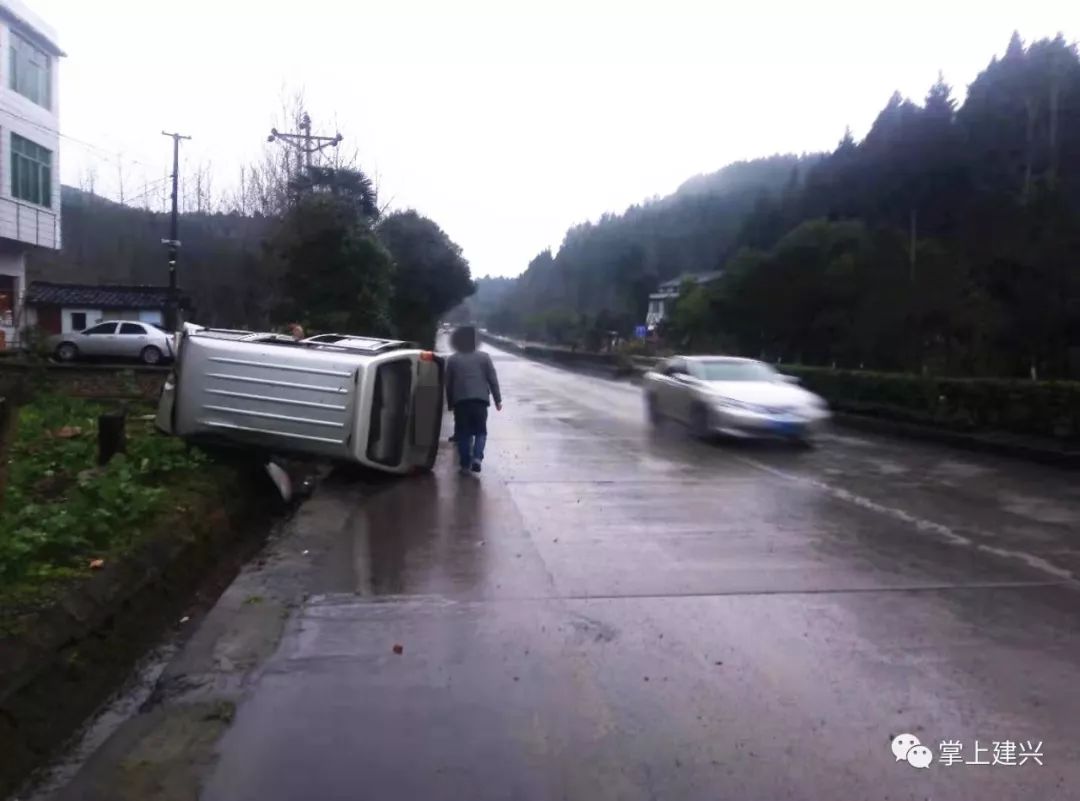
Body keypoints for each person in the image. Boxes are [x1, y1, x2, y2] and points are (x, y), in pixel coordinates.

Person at [445, 326, 502, 474]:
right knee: (481, 432)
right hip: (480, 401)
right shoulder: (484, 357)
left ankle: (465, 465)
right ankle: (477, 458)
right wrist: (498, 400)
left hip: (461, 402)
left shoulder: (452, 360)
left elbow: (448, 384)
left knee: (464, 433)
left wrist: (450, 403)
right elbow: (492, 379)